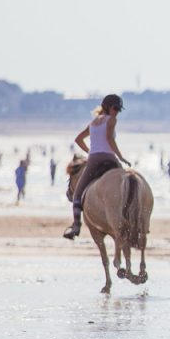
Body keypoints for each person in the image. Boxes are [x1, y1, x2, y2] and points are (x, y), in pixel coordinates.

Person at [63, 94, 131, 239]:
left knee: (77, 194)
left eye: (119, 109)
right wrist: (120, 156)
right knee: (127, 183)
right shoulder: (112, 120)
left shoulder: (94, 122)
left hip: (93, 160)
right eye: (116, 108)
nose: (117, 111)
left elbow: (78, 139)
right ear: (107, 107)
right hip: (109, 158)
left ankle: (75, 226)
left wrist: (90, 151)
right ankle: (131, 216)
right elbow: (109, 138)